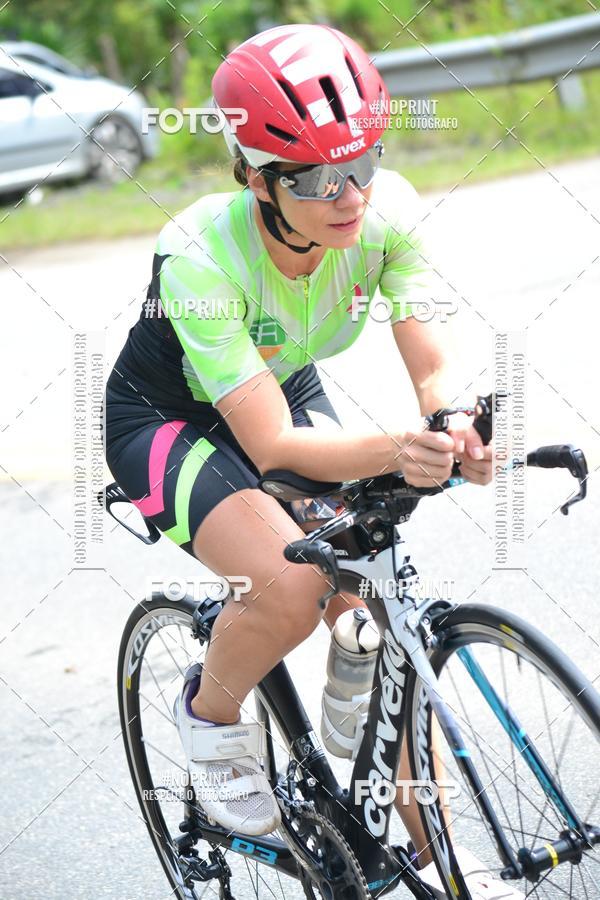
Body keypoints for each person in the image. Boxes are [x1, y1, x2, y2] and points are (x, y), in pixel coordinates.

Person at [105, 22, 521, 899]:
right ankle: (210, 716)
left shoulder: (387, 211)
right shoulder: (199, 257)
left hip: (278, 388)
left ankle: (449, 866)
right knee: (292, 587)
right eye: (320, 178)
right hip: (168, 421)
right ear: (257, 180)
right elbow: (272, 449)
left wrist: (451, 424)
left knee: (377, 587)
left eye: (362, 163)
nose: (350, 195)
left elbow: (429, 360)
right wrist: (403, 452)